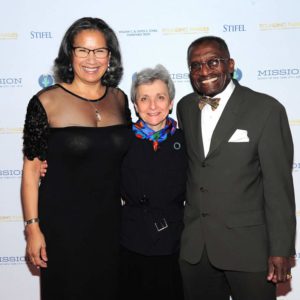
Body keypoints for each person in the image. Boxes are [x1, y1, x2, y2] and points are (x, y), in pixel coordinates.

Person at [177, 36, 296, 300]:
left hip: (249, 249)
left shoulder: (266, 109)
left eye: (213, 62)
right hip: (196, 250)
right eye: (195, 66)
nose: (204, 71)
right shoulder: (185, 107)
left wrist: (281, 249)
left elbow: (278, 186)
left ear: (230, 65)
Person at [21, 17, 131, 300]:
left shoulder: (120, 99)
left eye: (99, 51)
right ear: (70, 54)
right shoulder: (46, 102)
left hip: (111, 225)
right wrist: (33, 228)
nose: (91, 59)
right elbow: (32, 173)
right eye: (82, 50)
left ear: (110, 55)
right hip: (63, 227)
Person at [118, 64, 187, 300]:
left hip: (175, 244)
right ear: (135, 105)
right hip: (132, 242)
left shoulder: (186, 141)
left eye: (160, 97)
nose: (153, 106)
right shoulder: (120, 140)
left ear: (170, 102)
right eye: (144, 99)